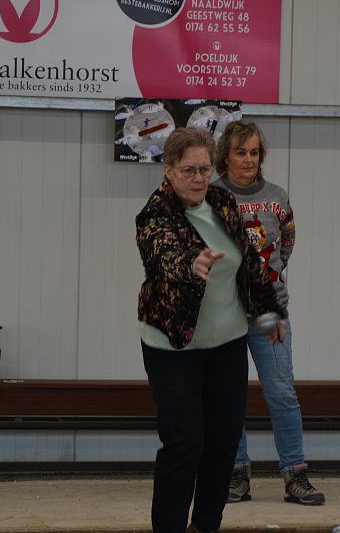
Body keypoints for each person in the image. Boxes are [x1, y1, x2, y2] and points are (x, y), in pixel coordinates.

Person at [136, 127, 287, 533]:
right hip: (173, 347)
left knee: (223, 444)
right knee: (185, 443)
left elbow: (250, 263)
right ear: (169, 170)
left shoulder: (221, 201)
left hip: (227, 345)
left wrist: (269, 312)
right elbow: (163, 252)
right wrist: (192, 263)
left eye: (204, 169)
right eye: (189, 170)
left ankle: (205, 526)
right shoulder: (155, 213)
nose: (199, 178)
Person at [213, 121, 326, 506]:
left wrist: (266, 282)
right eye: (240, 152)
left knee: (281, 392)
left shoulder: (277, 197)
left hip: (267, 312)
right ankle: (236, 473)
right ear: (225, 156)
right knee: (228, 397)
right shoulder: (211, 196)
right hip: (223, 314)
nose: (248, 159)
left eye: (254, 152)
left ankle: (295, 474)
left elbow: (286, 243)